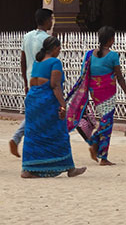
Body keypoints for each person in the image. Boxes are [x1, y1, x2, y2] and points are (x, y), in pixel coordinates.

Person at [67, 25, 126, 166]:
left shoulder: (89, 55)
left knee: (105, 121)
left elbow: (84, 75)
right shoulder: (112, 56)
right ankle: (99, 151)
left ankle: (97, 148)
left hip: (95, 93)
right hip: (108, 93)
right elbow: (120, 77)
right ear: (111, 40)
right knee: (107, 123)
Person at [21, 35, 86, 178]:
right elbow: (55, 86)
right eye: (59, 48)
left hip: (33, 101)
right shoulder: (55, 62)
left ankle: (29, 168)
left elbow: (33, 81)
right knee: (59, 133)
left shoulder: (37, 63)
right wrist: (63, 105)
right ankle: (69, 168)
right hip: (47, 102)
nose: (60, 51)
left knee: (34, 134)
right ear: (55, 49)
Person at [9, 7, 54, 157]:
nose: (52, 22)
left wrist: (25, 82)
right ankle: (22, 139)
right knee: (41, 114)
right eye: (51, 19)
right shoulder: (46, 40)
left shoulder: (27, 36)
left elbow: (22, 60)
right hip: (43, 80)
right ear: (46, 20)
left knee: (34, 112)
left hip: (30, 78)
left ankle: (17, 138)